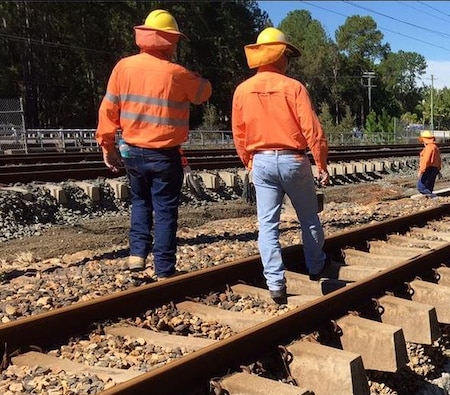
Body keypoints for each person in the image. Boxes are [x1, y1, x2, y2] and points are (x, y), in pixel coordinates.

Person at [97, 9, 212, 279]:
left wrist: (107, 145)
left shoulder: (123, 67)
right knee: (165, 210)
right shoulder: (177, 73)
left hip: (132, 152)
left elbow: (108, 109)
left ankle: (137, 254)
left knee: (140, 202)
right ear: (170, 40)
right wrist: (196, 75)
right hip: (164, 155)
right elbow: (203, 93)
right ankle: (164, 269)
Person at [231, 27, 331, 304]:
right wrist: (321, 164)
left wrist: (249, 161)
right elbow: (313, 130)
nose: (288, 60)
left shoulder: (243, 90)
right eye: (286, 55)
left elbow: (239, 133)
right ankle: (316, 266)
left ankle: (275, 283)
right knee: (308, 217)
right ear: (280, 56)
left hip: (260, 160)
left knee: (267, 225)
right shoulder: (293, 87)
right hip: (293, 159)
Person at [416, 130, 441, 198]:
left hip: (429, 169)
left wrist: (421, 171)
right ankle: (431, 199)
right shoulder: (435, 147)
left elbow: (425, 160)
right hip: (434, 169)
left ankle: (433, 197)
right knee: (429, 186)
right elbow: (438, 159)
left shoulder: (429, 147)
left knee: (420, 187)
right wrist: (438, 170)